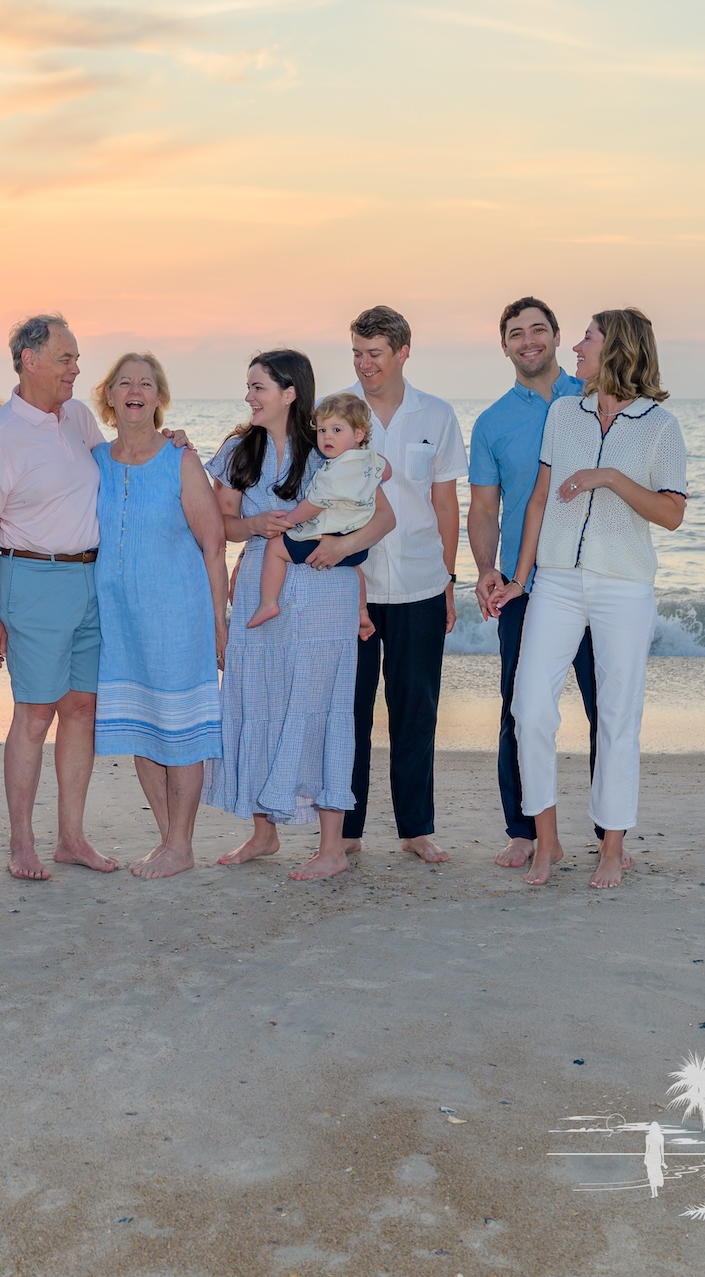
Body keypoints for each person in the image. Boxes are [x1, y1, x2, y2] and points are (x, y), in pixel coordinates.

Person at [489, 308, 688, 889]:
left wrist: (607, 478)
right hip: (556, 580)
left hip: (624, 585)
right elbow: (539, 500)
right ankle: (545, 842)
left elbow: (672, 513)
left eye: (588, 338)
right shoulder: (563, 413)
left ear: (617, 348)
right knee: (529, 708)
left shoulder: (660, 427)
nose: (576, 347)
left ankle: (612, 846)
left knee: (619, 717)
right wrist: (520, 577)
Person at [203, 351, 397, 881]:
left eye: (258, 386)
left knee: (322, 706)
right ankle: (264, 833)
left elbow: (384, 518)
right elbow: (219, 525)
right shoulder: (238, 449)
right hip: (260, 591)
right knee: (260, 699)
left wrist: (341, 547)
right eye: (249, 386)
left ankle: (332, 846)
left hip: (322, 591)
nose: (249, 396)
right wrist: (256, 524)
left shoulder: (331, 446)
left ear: (290, 392)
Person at [0, 314, 117, 881]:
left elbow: (117, 470)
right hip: (30, 581)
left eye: (75, 359)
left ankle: (71, 838)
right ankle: (21, 843)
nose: (76, 370)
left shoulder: (77, 417)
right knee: (33, 715)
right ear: (30, 361)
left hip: (90, 581)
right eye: (66, 359)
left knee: (81, 709)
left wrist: (164, 440)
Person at [468, 297, 601, 869]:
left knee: (606, 706)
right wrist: (484, 569)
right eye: (516, 333)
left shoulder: (595, 396)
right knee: (518, 709)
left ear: (556, 336)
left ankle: (607, 831)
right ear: (504, 346)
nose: (529, 341)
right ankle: (522, 830)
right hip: (523, 585)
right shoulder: (492, 423)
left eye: (538, 330)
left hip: (593, 576)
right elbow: (482, 509)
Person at [89, 352, 229, 879]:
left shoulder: (180, 459)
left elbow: (213, 545)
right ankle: (169, 841)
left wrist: (219, 621)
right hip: (118, 620)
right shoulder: (95, 459)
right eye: (124, 382)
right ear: (108, 395)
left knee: (181, 730)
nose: (134, 390)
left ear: (158, 397)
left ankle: (181, 842)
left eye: (145, 383)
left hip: (177, 616)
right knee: (140, 729)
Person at [341, 305, 466, 865]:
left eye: (375, 354)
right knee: (350, 710)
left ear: (402, 353)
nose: (365, 365)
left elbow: (445, 503)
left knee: (417, 707)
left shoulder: (436, 415)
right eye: (358, 354)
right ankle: (345, 829)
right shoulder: (336, 412)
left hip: (420, 581)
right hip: (353, 585)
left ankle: (416, 828)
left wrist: (448, 578)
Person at [245, 392, 388, 633]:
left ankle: (268, 603)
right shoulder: (369, 459)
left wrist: (289, 521)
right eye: (322, 431)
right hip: (357, 545)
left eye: (336, 430)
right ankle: (362, 612)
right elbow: (388, 472)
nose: (327, 437)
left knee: (276, 549)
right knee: (354, 568)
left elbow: (312, 506)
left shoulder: (335, 473)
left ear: (359, 434)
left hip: (326, 539)